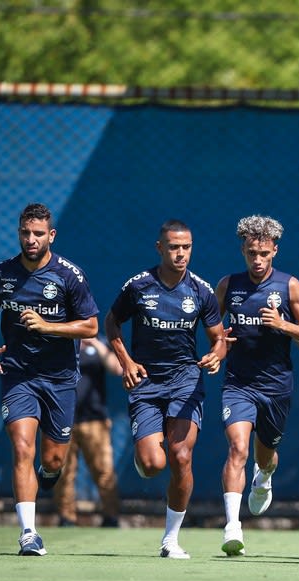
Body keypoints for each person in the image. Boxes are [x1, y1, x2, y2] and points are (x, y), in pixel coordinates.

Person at [0, 202, 99, 556]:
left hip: (60, 379)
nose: (30, 240)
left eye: (37, 234)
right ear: (19, 233)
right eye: (25, 233)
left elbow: (91, 326)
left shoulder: (69, 276)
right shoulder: (1, 274)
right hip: (18, 374)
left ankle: (49, 474)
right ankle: (29, 533)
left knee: (53, 460)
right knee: (21, 447)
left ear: (51, 235)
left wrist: (49, 327)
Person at [105, 220, 227, 559]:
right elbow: (111, 322)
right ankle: (144, 452)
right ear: (160, 248)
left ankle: (170, 539)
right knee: (154, 463)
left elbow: (219, 339)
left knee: (181, 456)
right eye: (174, 247)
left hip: (185, 381)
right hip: (145, 382)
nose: (181, 253)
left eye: (186, 247)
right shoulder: (139, 286)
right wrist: (126, 361)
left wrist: (216, 356)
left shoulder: (201, 291)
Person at [215, 215, 299, 556]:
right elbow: (215, 327)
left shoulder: (289, 286)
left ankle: (265, 476)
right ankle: (233, 526)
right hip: (238, 383)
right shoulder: (229, 285)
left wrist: (282, 324)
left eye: (263, 253)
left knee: (265, 454)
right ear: (243, 250)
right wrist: (218, 349)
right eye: (250, 253)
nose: (257, 260)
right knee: (237, 449)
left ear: (274, 250)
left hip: (276, 386)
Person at [53, 335, 122, 528]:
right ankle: (67, 518)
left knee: (104, 469)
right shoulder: (61, 343)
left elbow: (117, 368)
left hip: (95, 420)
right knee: (63, 471)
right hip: (63, 418)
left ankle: (111, 516)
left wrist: (95, 344)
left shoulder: (100, 345)